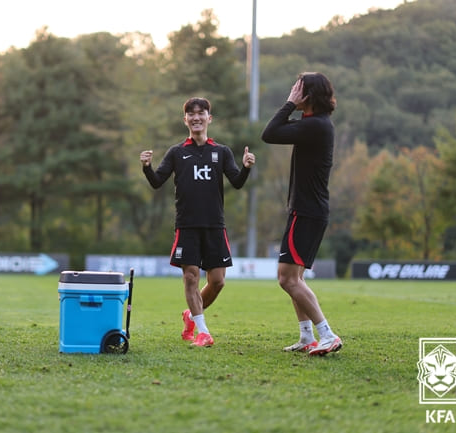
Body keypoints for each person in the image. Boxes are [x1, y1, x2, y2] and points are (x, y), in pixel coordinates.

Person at [140, 97, 255, 347]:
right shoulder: (177, 152)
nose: (196, 118)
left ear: (208, 118)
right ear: (185, 120)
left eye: (201, 113)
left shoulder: (221, 152)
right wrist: (147, 166)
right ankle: (203, 332)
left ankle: (190, 317)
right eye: (191, 114)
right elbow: (157, 181)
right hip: (187, 225)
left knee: (217, 281)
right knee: (191, 277)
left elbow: (236, 182)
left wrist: (246, 167)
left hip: (215, 225)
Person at [261, 72, 342, 356]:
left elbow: (269, 133)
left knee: (287, 278)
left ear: (307, 96)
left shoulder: (316, 126)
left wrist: (288, 104)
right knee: (295, 278)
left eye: (297, 89)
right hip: (307, 210)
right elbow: (276, 132)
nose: (293, 92)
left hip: (307, 212)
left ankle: (327, 334)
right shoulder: (314, 125)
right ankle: (307, 336)